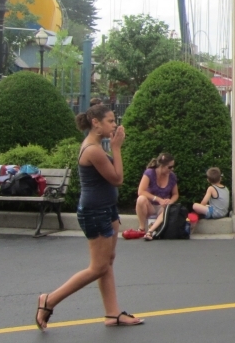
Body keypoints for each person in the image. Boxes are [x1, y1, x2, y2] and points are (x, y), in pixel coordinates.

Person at [35, 103, 143, 329]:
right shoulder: (93, 149)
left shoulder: (96, 146)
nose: (114, 125)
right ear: (96, 123)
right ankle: (49, 300)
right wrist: (117, 148)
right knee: (98, 267)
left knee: (107, 262)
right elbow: (117, 179)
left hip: (107, 209)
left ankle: (112, 314)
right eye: (111, 121)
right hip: (96, 212)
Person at [135, 153, 179, 239]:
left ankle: (150, 231)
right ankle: (141, 228)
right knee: (141, 199)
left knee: (167, 209)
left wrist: (170, 201)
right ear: (162, 166)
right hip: (150, 205)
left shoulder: (172, 176)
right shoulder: (150, 173)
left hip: (162, 207)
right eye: (169, 167)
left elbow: (175, 194)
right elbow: (141, 191)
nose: (172, 169)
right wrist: (158, 199)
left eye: (173, 166)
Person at [190, 167, 230, 232]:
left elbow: (203, 203)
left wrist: (201, 207)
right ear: (220, 178)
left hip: (216, 213)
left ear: (208, 180)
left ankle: (193, 220)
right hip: (224, 212)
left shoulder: (211, 188)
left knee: (195, 206)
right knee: (206, 207)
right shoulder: (225, 188)